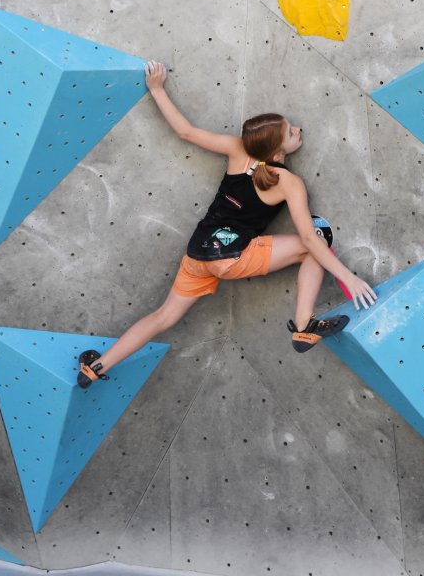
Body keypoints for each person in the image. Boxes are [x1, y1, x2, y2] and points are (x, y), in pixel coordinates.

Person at [77, 61, 376, 387]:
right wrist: (348, 276)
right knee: (314, 243)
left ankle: (97, 367)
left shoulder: (237, 149)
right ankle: (304, 325)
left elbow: (186, 132)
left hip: (198, 255)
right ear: (277, 150)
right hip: (235, 257)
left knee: (164, 316)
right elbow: (307, 235)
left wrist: (157, 89)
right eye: (291, 132)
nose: (298, 131)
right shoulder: (288, 182)